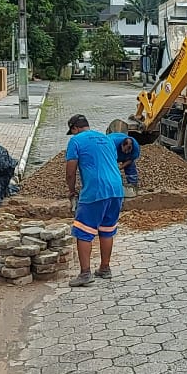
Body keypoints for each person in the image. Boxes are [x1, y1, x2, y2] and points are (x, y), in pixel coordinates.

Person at [64, 114, 125, 288]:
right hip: (116, 189)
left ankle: (85, 274)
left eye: (72, 131)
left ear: (75, 128)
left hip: (95, 190)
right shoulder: (106, 139)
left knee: (83, 231)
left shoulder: (76, 141)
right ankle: (105, 268)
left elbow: (70, 171)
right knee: (107, 230)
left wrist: (71, 190)